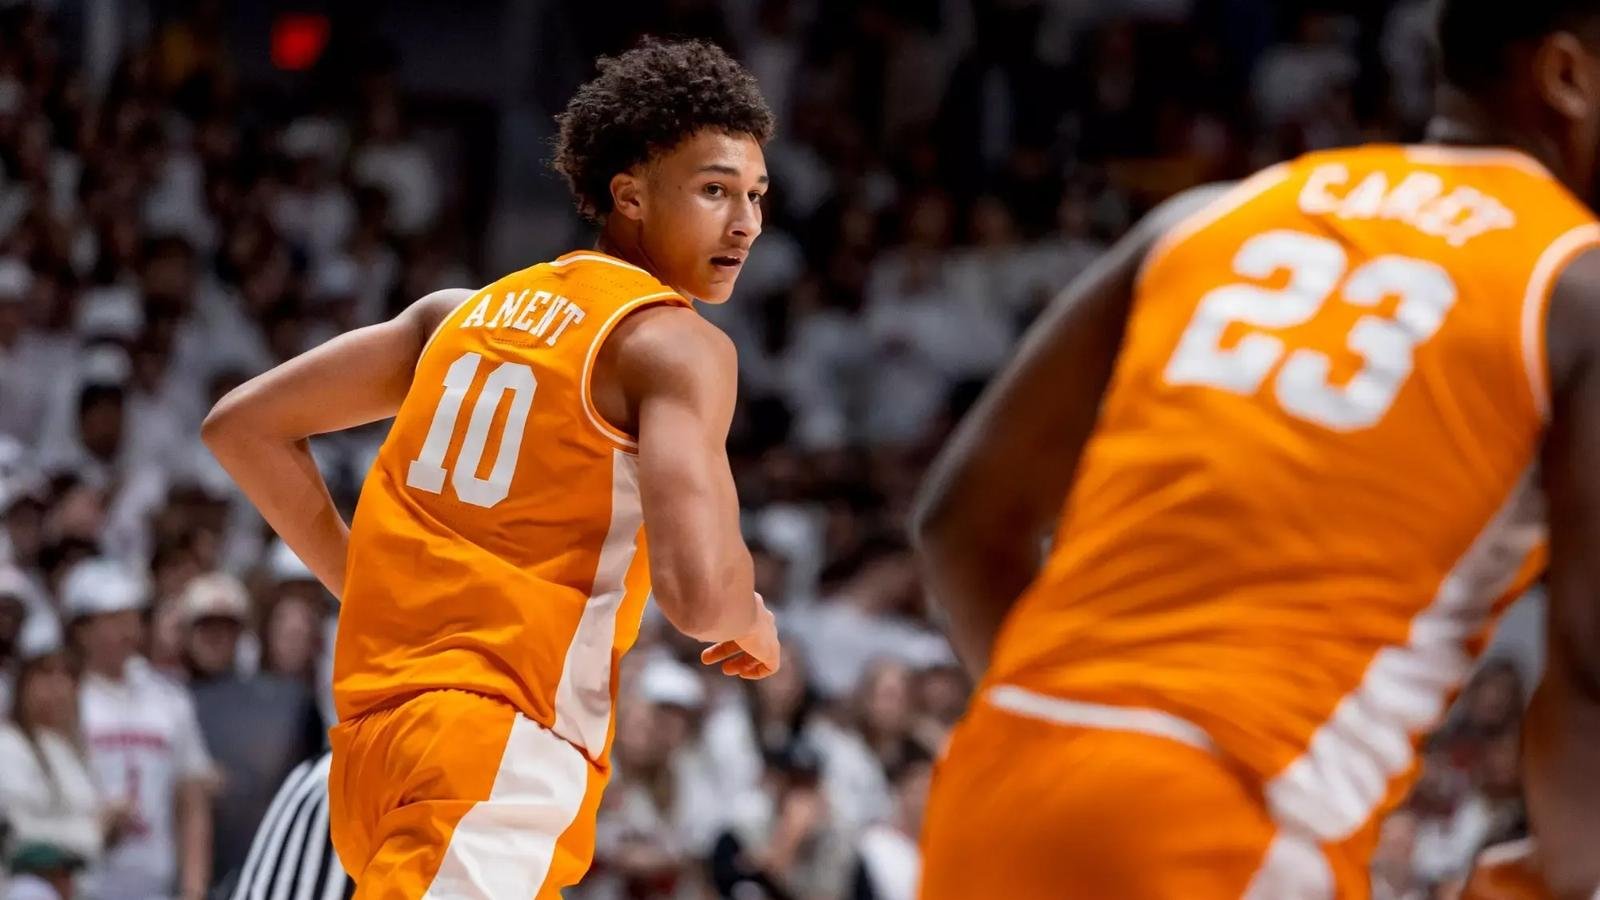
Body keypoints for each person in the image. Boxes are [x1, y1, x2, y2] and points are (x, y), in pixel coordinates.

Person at [912, 0, 1600, 896]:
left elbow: (959, 524)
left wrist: (1089, 743)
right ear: (1566, 77)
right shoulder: (1575, 283)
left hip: (998, 786)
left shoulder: (1207, 217)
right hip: (1237, 813)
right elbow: (1589, 661)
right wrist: (1562, 873)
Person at [202, 38, 782, 897]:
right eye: (715, 190)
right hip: (498, 747)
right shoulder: (672, 344)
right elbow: (699, 598)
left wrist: (364, 583)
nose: (746, 223)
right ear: (629, 194)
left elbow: (242, 428)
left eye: (756, 195)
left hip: (375, 744)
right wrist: (752, 616)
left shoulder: (456, 315)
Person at [66, 558, 215, 900]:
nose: (127, 630)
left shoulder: (169, 697)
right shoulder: (68, 697)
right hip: (84, 885)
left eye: (131, 617)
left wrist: (194, 889)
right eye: (112, 620)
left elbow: (192, 798)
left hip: (156, 886)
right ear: (82, 630)